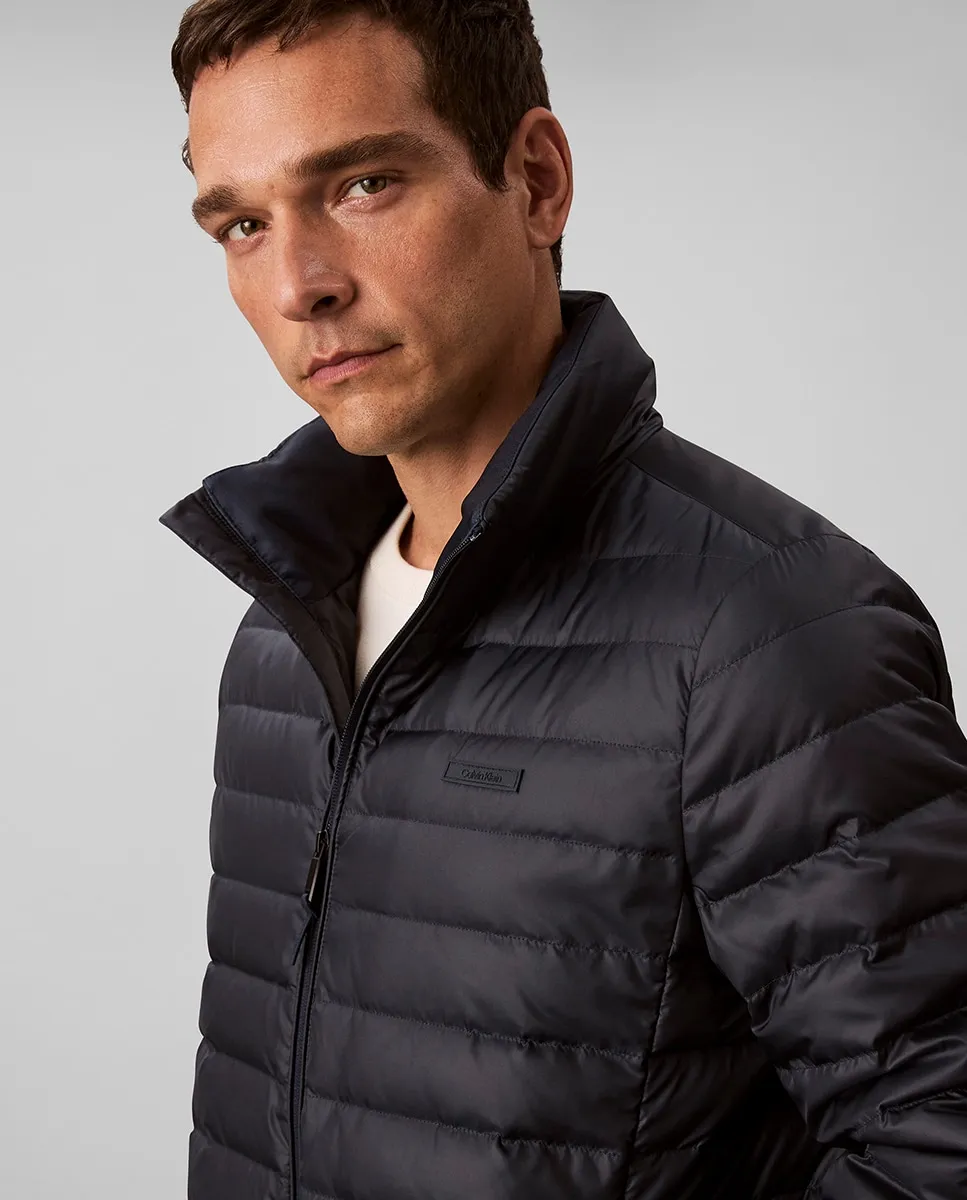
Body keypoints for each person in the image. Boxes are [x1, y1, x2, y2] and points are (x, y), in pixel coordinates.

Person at [158, 3, 967, 1198]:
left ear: (535, 181)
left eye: (364, 184)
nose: (297, 286)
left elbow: (936, 1147)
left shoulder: (771, 634)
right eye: (242, 223)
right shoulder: (282, 635)